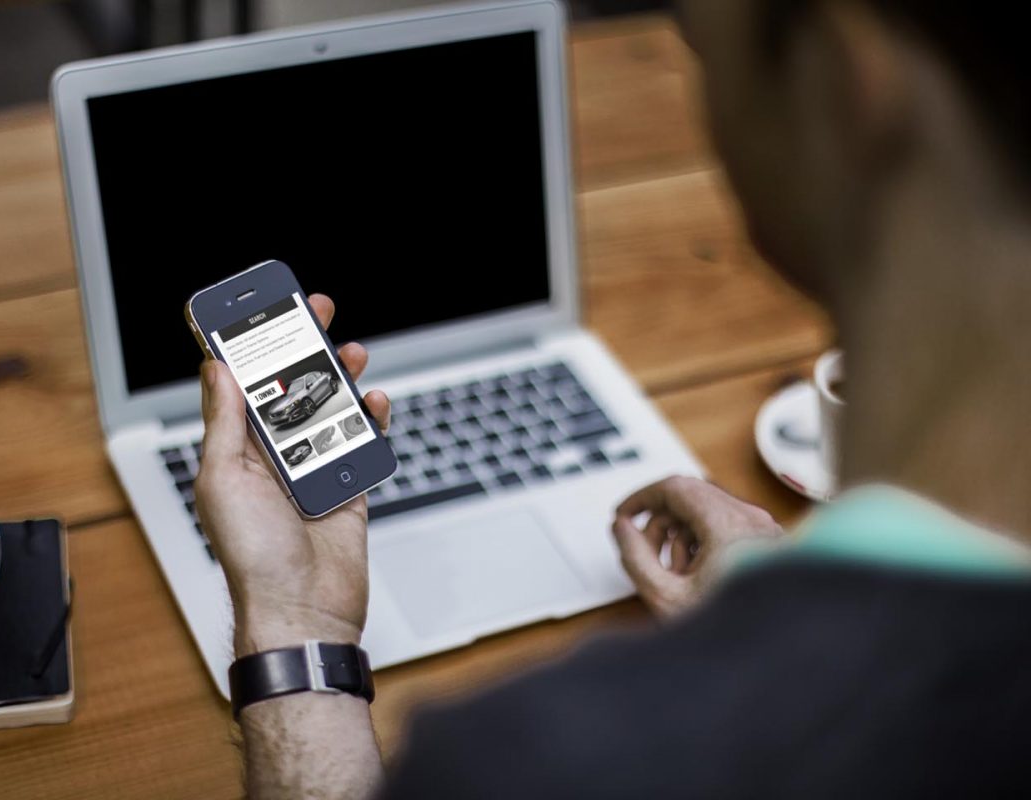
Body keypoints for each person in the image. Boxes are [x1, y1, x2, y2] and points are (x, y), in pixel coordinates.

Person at [195, 0, 1031, 796]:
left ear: (846, 84)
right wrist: (782, 609)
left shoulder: (543, 764)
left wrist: (295, 629)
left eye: (702, 40)